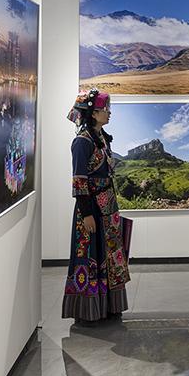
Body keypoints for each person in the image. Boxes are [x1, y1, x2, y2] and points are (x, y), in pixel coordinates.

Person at [63, 90, 130, 323]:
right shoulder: (82, 142)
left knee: (109, 254)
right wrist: (87, 213)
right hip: (91, 208)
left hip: (108, 207)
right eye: (105, 109)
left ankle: (109, 305)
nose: (109, 113)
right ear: (93, 113)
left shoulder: (102, 138)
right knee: (91, 254)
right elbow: (79, 181)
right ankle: (90, 309)